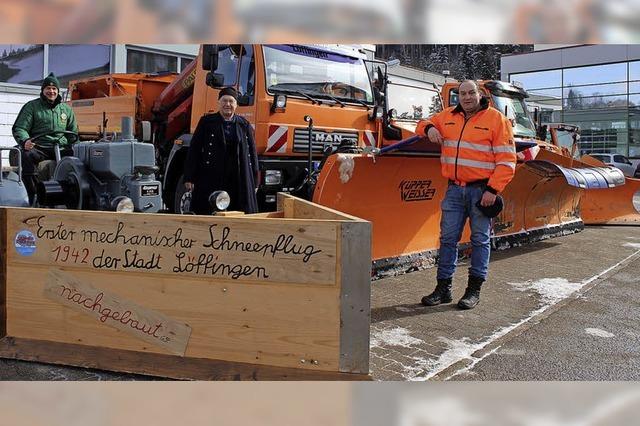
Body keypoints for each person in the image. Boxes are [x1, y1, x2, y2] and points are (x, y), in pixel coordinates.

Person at [415, 80, 517, 309]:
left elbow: (507, 160)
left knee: (479, 240)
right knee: (448, 239)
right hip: (454, 189)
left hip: (481, 191)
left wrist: (493, 189)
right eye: (462, 93)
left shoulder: (496, 120)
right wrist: (429, 129)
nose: (467, 97)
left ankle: (473, 291)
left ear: (480, 95)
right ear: (457, 96)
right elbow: (422, 123)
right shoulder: (447, 116)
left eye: (471, 93)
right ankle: (443, 289)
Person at [184, 87, 259, 215]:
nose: (227, 104)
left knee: (238, 211)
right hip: (211, 174)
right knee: (208, 210)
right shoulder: (207, 122)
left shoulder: (244, 125)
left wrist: (255, 180)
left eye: (231, 101)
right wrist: (189, 177)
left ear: (236, 104)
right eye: (224, 101)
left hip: (237, 176)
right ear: (219, 102)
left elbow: (252, 153)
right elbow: (194, 150)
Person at [13, 72, 78, 204]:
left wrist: (77, 147)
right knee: (25, 155)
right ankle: (34, 194)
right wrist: (25, 141)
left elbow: (73, 132)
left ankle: (75, 196)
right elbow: (20, 128)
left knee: (83, 157)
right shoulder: (32, 107)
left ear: (58, 91)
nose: (51, 91)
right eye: (48, 88)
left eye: (54, 89)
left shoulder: (66, 109)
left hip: (61, 148)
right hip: (40, 148)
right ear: (43, 90)